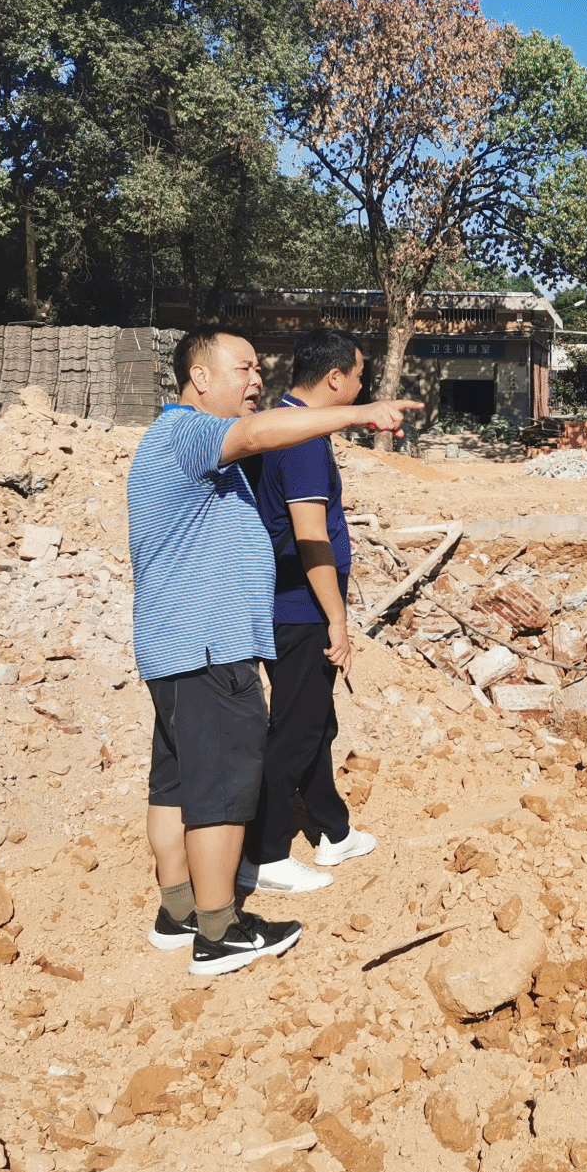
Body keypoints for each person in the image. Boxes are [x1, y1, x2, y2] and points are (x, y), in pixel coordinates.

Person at [129, 326, 419, 977]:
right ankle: (219, 932)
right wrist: (358, 414)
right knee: (220, 791)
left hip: (175, 645)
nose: (256, 379)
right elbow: (259, 435)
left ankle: (178, 912)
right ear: (200, 377)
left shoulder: (178, 444)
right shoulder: (190, 432)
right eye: (244, 368)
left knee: (175, 786)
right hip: (208, 646)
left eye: (260, 368)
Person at [239, 329, 380, 893]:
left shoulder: (286, 426)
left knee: (315, 719)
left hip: (289, 602)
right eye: (360, 375)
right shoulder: (301, 441)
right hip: (301, 608)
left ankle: (333, 830)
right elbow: (310, 534)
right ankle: (264, 854)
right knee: (295, 730)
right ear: (335, 378)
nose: (363, 385)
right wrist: (337, 621)